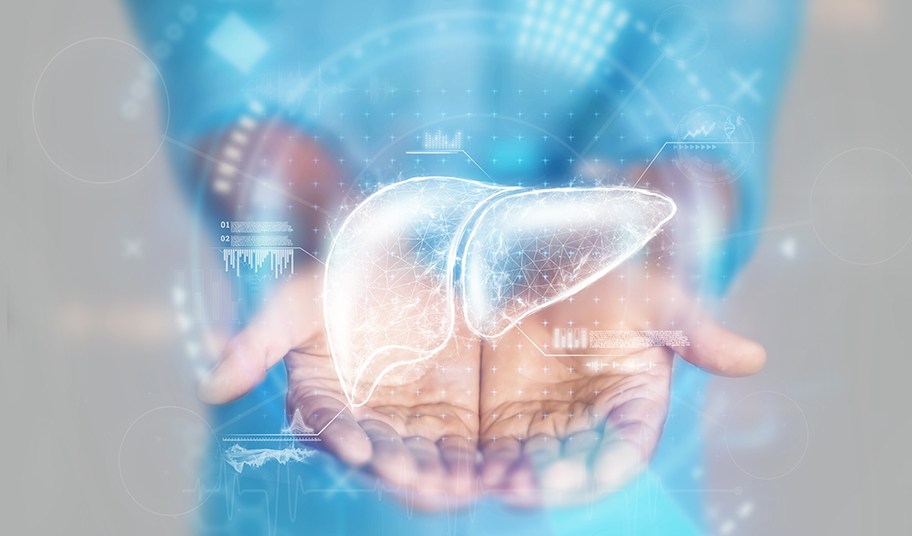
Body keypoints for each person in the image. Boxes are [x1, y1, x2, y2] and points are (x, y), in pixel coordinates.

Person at [125, 0, 802, 533]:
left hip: (604, 456)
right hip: (309, 479)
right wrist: (328, 237)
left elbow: (710, 79)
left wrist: (641, 251)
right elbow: (220, 53)